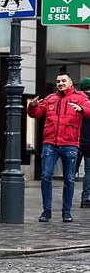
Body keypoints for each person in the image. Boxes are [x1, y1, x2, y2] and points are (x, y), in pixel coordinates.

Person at [27, 72, 90, 223]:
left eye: (63, 81)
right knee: (46, 176)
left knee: (69, 179)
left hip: (70, 144)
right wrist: (32, 106)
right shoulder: (50, 98)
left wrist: (81, 109)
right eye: (58, 81)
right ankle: (46, 211)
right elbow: (35, 114)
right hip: (50, 143)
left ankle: (66, 212)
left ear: (70, 83)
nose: (60, 83)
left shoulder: (81, 98)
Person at [77, 77, 90, 208]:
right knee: (89, 171)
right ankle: (85, 198)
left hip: (75, 140)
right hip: (89, 142)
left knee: (70, 171)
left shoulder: (76, 99)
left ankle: (66, 195)